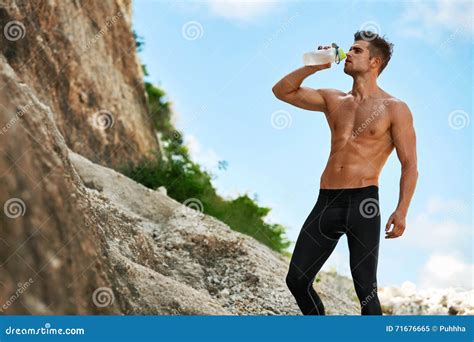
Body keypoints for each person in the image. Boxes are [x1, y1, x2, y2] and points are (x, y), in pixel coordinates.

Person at [272, 30, 418, 315]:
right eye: (349, 49)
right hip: (327, 201)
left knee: (365, 289)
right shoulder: (334, 100)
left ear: (375, 62)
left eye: (356, 51)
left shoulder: (395, 108)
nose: (347, 54)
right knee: (297, 279)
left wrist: (402, 210)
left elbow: (410, 164)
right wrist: (312, 66)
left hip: (363, 202)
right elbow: (281, 91)